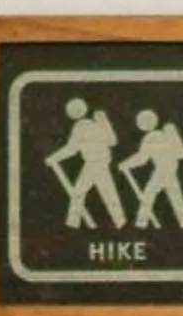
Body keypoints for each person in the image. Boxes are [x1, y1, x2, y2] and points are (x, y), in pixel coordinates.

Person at [46, 97, 125, 230]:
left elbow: (72, 148)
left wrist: (54, 158)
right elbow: (73, 148)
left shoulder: (85, 126)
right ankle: (118, 222)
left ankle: (74, 223)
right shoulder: (88, 125)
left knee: (82, 193)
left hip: (96, 164)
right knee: (96, 193)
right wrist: (55, 158)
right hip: (95, 164)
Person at [119, 108, 183, 231]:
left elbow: (142, 158)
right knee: (173, 194)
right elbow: (142, 158)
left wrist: (125, 164)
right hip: (167, 169)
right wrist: (126, 164)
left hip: (164, 170)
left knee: (151, 194)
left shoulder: (156, 136)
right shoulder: (152, 137)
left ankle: (141, 223)